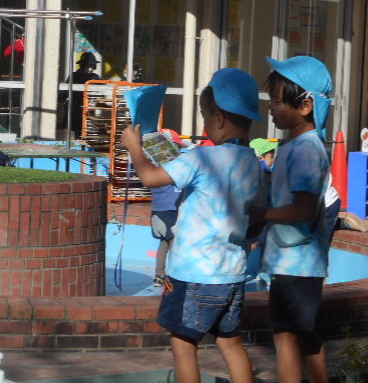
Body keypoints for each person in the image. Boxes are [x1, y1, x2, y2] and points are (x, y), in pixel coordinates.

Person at [121, 68, 263, 383]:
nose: (204, 124)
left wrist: (134, 147)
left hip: (194, 274)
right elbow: (256, 214)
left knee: (183, 344)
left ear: (219, 119)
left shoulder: (202, 158)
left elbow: (150, 178)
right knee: (230, 341)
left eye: (204, 116)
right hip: (232, 274)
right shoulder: (252, 162)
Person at [249, 55, 334, 383]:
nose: (271, 108)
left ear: (306, 106)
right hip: (298, 263)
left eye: (277, 101)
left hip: (296, 264)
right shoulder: (296, 145)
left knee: (285, 338)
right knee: (305, 335)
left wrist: (263, 214)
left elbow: (304, 210)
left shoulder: (305, 150)